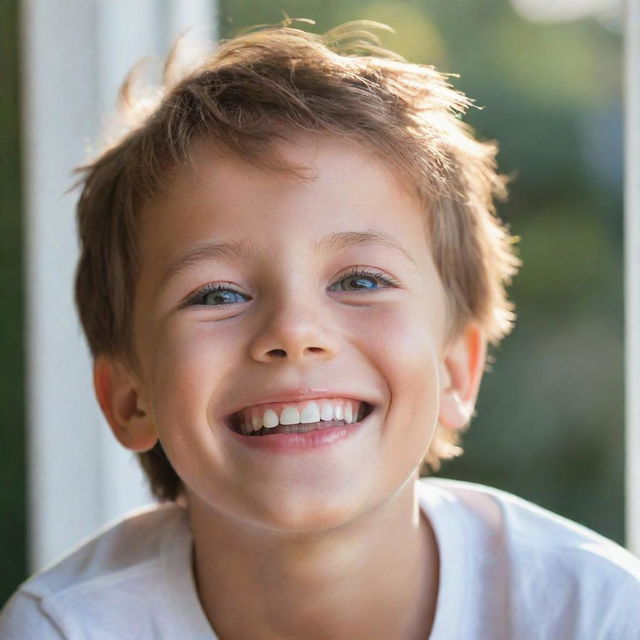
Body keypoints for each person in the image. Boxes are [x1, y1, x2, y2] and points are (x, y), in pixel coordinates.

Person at [1, 19, 639, 640]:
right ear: (130, 398)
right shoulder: (69, 627)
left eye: (360, 281)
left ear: (455, 370)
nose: (295, 331)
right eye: (217, 294)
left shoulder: (594, 612)